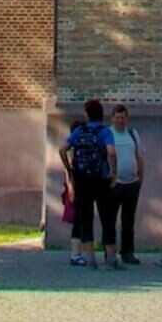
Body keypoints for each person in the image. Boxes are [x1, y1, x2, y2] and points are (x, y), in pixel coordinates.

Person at [61, 97, 117, 267]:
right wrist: (113, 172)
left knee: (85, 217)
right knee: (107, 217)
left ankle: (90, 257)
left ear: (87, 114)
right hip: (101, 178)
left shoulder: (80, 130)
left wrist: (70, 170)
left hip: (82, 179)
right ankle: (110, 257)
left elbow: (62, 149)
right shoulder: (105, 131)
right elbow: (111, 152)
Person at [101, 102, 144, 266]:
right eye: (117, 117)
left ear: (127, 118)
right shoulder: (107, 134)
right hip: (114, 184)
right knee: (110, 219)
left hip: (132, 183)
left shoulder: (133, 134)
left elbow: (139, 156)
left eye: (123, 117)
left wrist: (141, 177)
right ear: (112, 118)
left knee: (128, 221)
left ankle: (127, 252)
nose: (120, 120)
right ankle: (109, 251)